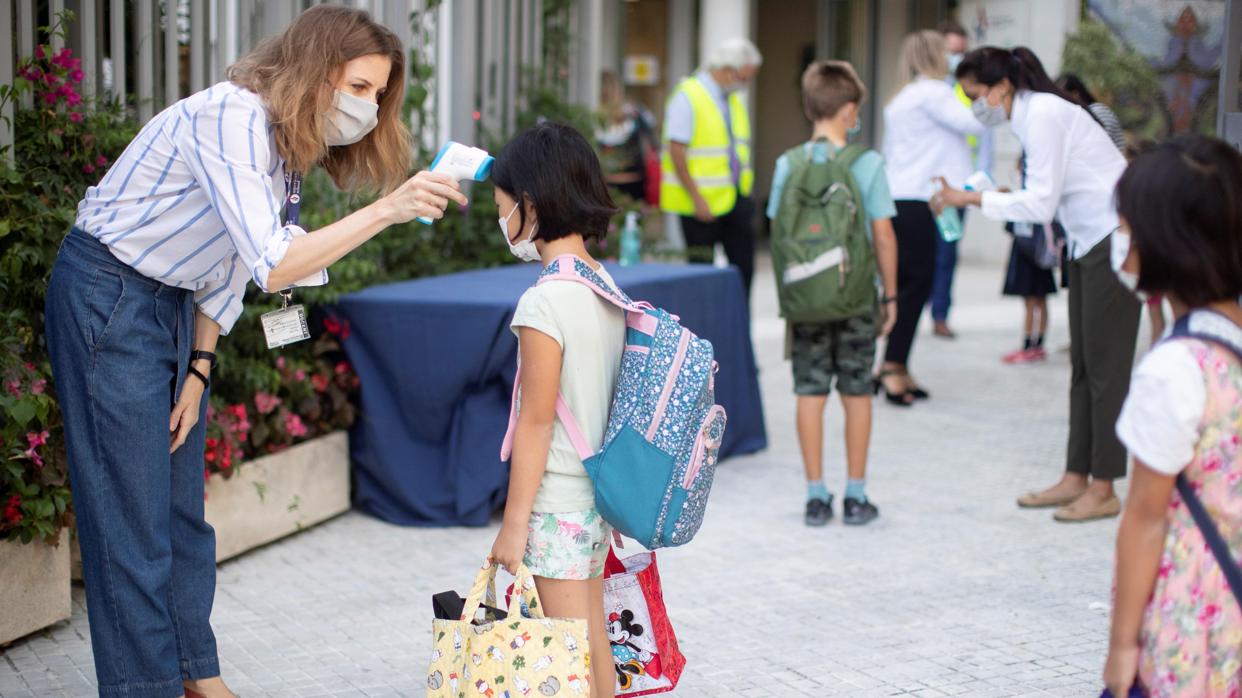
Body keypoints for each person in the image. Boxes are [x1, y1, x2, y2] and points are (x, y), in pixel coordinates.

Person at [43, 7, 466, 698]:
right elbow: (274, 263)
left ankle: (197, 679)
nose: (366, 108)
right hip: (108, 293)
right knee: (132, 529)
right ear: (315, 68)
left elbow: (227, 267)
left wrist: (199, 370)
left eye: (377, 97)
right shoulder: (232, 119)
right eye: (359, 87)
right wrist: (389, 208)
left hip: (171, 306)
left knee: (182, 519)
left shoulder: (281, 144)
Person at [935, 46, 1137, 522]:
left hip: (1113, 240)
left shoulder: (1043, 113)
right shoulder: (1031, 115)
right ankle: (1075, 476)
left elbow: (1040, 206)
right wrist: (982, 196)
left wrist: (970, 197)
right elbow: (1044, 195)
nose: (973, 106)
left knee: (1106, 369)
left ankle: (1104, 487)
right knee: (1084, 366)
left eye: (974, 95)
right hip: (1088, 241)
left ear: (1002, 87)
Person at [1102, 135, 1242, 698]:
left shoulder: (1174, 371)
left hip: (1191, 626)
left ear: (1168, 243)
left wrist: (1121, 646)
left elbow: (1145, 518)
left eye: (1127, 229)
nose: (1122, 244)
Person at [488, 123, 624, 698]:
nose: (501, 223)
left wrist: (513, 527)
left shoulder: (544, 301)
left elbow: (537, 421)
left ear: (530, 206)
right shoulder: (601, 282)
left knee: (568, 667)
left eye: (502, 208)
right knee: (595, 657)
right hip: (594, 504)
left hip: (556, 507)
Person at [767, 60, 898, 527]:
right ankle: (857, 495)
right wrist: (891, 297)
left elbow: (779, 227)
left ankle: (815, 496)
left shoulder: (788, 163)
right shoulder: (867, 164)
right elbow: (883, 235)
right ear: (848, 111)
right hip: (857, 296)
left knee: (809, 390)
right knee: (857, 391)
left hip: (806, 299)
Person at [879, 30, 987, 405]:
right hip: (920, 200)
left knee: (909, 285)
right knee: (915, 287)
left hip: (902, 198)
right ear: (935, 56)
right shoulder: (933, 94)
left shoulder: (906, 96)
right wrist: (993, 94)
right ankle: (892, 366)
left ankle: (897, 364)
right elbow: (976, 123)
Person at [661, 38, 762, 298]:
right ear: (727, 70)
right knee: (701, 278)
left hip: (734, 198)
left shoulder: (732, 100)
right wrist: (697, 198)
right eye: (743, 77)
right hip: (699, 205)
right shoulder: (688, 95)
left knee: (743, 272)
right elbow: (676, 151)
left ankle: (737, 332)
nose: (745, 84)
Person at [932, 19, 994, 339]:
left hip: (957, 190)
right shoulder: (929, 90)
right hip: (925, 189)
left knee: (946, 254)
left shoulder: (971, 93)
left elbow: (984, 142)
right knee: (918, 255)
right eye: (950, 51)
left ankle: (939, 314)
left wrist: (976, 186)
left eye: (961, 51)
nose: (956, 57)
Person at [1001, 155, 1059, 364]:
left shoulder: (1030, 195)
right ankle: (1036, 344)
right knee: (1039, 299)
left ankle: (1030, 345)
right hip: (1038, 249)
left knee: (1032, 300)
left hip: (1030, 249)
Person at [596, 70, 657, 203]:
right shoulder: (636, 112)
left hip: (607, 184)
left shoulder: (594, 118)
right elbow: (652, 145)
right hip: (633, 182)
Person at [1058, 73, 1127, 151]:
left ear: (1075, 94)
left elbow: (1097, 146)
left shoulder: (1098, 111)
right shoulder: (1083, 117)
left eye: (1061, 97)